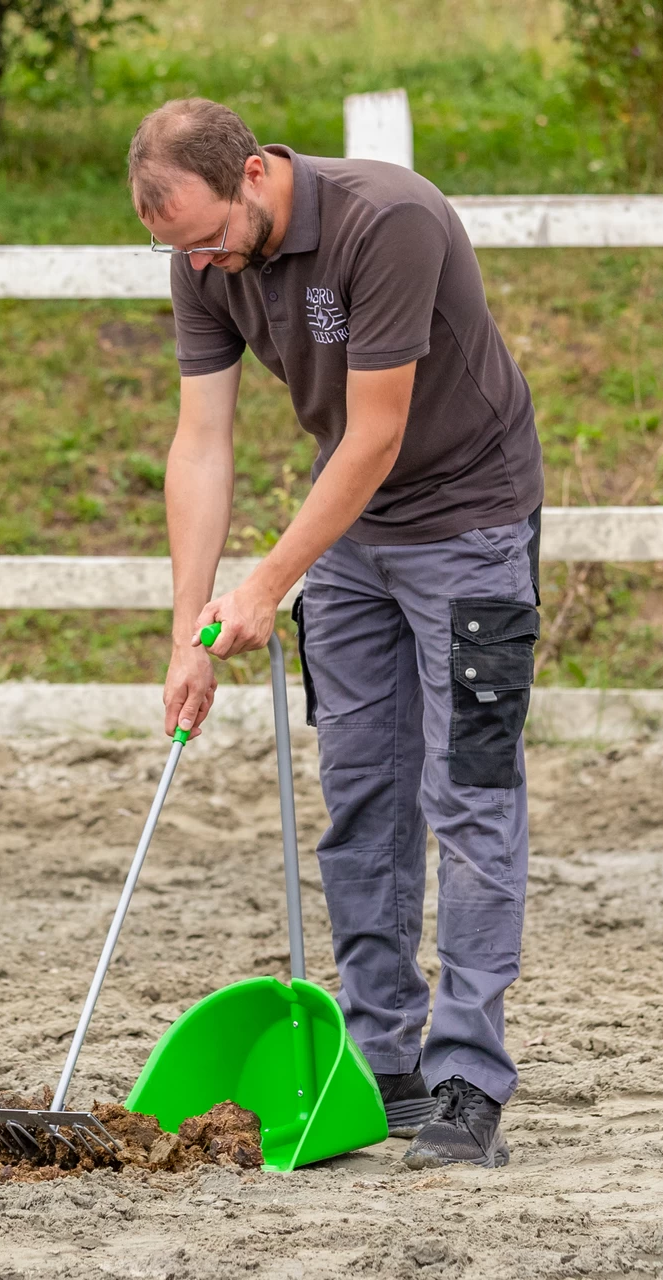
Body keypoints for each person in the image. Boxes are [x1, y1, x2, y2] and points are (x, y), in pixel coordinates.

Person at [129, 98, 542, 1170]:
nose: (204, 268)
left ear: (256, 174)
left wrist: (269, 579)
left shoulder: (385, 222)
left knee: (471, 790)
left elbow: (375, 432)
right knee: (360, 790)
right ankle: (381, 1063)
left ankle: (466, 1079)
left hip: (471, 521)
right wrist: (189, 633)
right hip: (352, 540)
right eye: (182, 254)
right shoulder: (201, 260)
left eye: (209, 239)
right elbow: (201, 442)